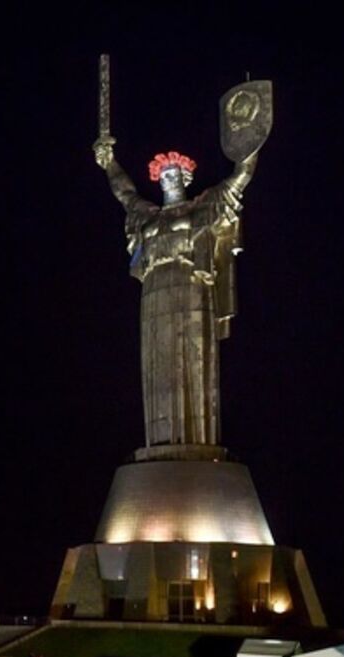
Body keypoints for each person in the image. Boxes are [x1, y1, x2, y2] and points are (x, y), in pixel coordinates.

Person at [93, 132, 259, 449]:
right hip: (155, 294)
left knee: (193, 359)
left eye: (174, 174)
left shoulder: (201, 208)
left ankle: (199, 443)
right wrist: (109, 162)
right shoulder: (148, 216)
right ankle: (160, 443)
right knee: (158, 363)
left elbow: (241, 177)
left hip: (192, 288)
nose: (169, 178)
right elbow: (125, 193)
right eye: (163, 174)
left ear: (185, 177)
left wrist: (249, 141)